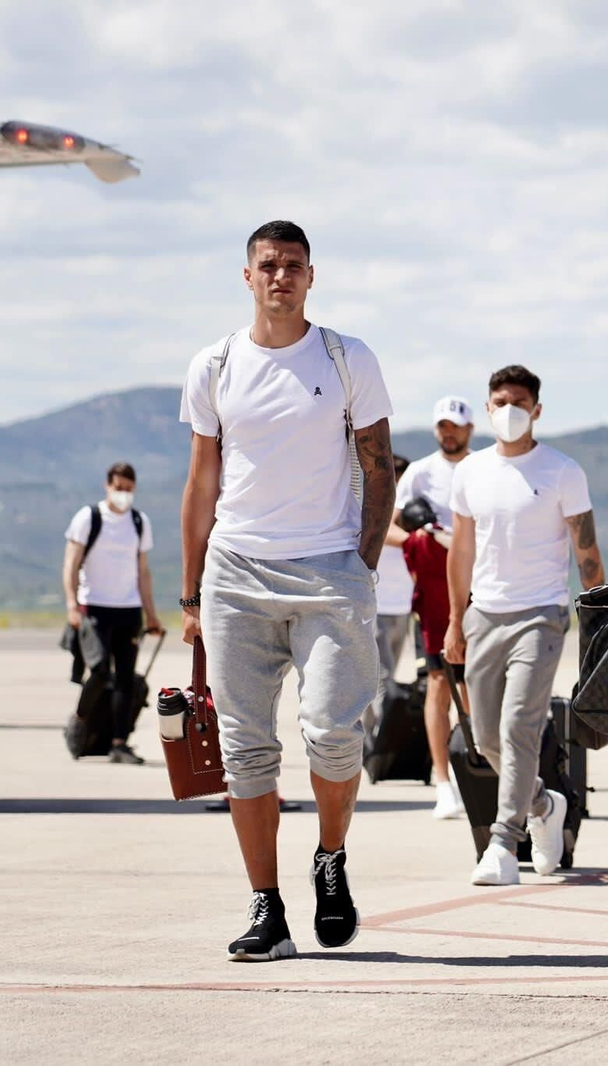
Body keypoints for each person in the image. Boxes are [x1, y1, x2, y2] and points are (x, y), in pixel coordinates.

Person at [179, 220, 396, 962]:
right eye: (268, 265)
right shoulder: (213, 365)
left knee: (334, 734)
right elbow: (203, 480)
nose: (281, 277)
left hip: (330, 573)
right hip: (236, 574)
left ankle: (330, 858)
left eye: (293, 266)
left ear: (312, 276)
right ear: (247, 276)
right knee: (246, 752)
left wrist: (361, 566)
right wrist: (188, 594)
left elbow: (380, 466)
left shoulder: (345, 358)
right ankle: (266, 909)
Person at [444, 365, 605, 886]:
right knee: (486, 736)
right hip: (484, 614)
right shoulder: (470, 471)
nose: (509, 409)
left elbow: (587, 552)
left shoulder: (561, 471)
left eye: (519, 401)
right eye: (499, 401)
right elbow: (461, 550)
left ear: (536, 410)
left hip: (542, 614)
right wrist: (455, 622)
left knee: (519, 727)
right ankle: (543, 803)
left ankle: (502, 843)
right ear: (487, 409)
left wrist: (598, 624)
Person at [388, 395, 475, 819]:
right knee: (439, 680)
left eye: (455, 425)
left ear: (470, 430)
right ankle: (443, 780)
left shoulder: (484, 468)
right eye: (442, 425)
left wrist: (457, 547)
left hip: (480, 585)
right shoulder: (419, 474)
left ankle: (472, 764)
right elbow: (388, 525)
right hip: (433, 589)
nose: (448, 432)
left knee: (474, 682)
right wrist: (423, 542)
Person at [63, 461, 165, 764]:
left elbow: (143, 571)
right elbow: (71, 563)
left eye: (129, 490)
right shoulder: (89, 517)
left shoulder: (138, 521)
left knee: (124, 678)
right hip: (93, 606)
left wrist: (152, 615)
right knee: (97, 671)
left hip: (129, 609)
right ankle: (79, 720)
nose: (123, 494)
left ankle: (119, 743)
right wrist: (71, 604)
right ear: (108, 486)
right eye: (119, 488)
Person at [369, 454, 414, 731]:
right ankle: (378, 740)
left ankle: (375, 737)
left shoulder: (407, 511)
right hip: (378, 605)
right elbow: (386, 534)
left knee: (389, 678)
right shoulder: (377, 508)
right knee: (380, 680)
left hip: (404, 606)